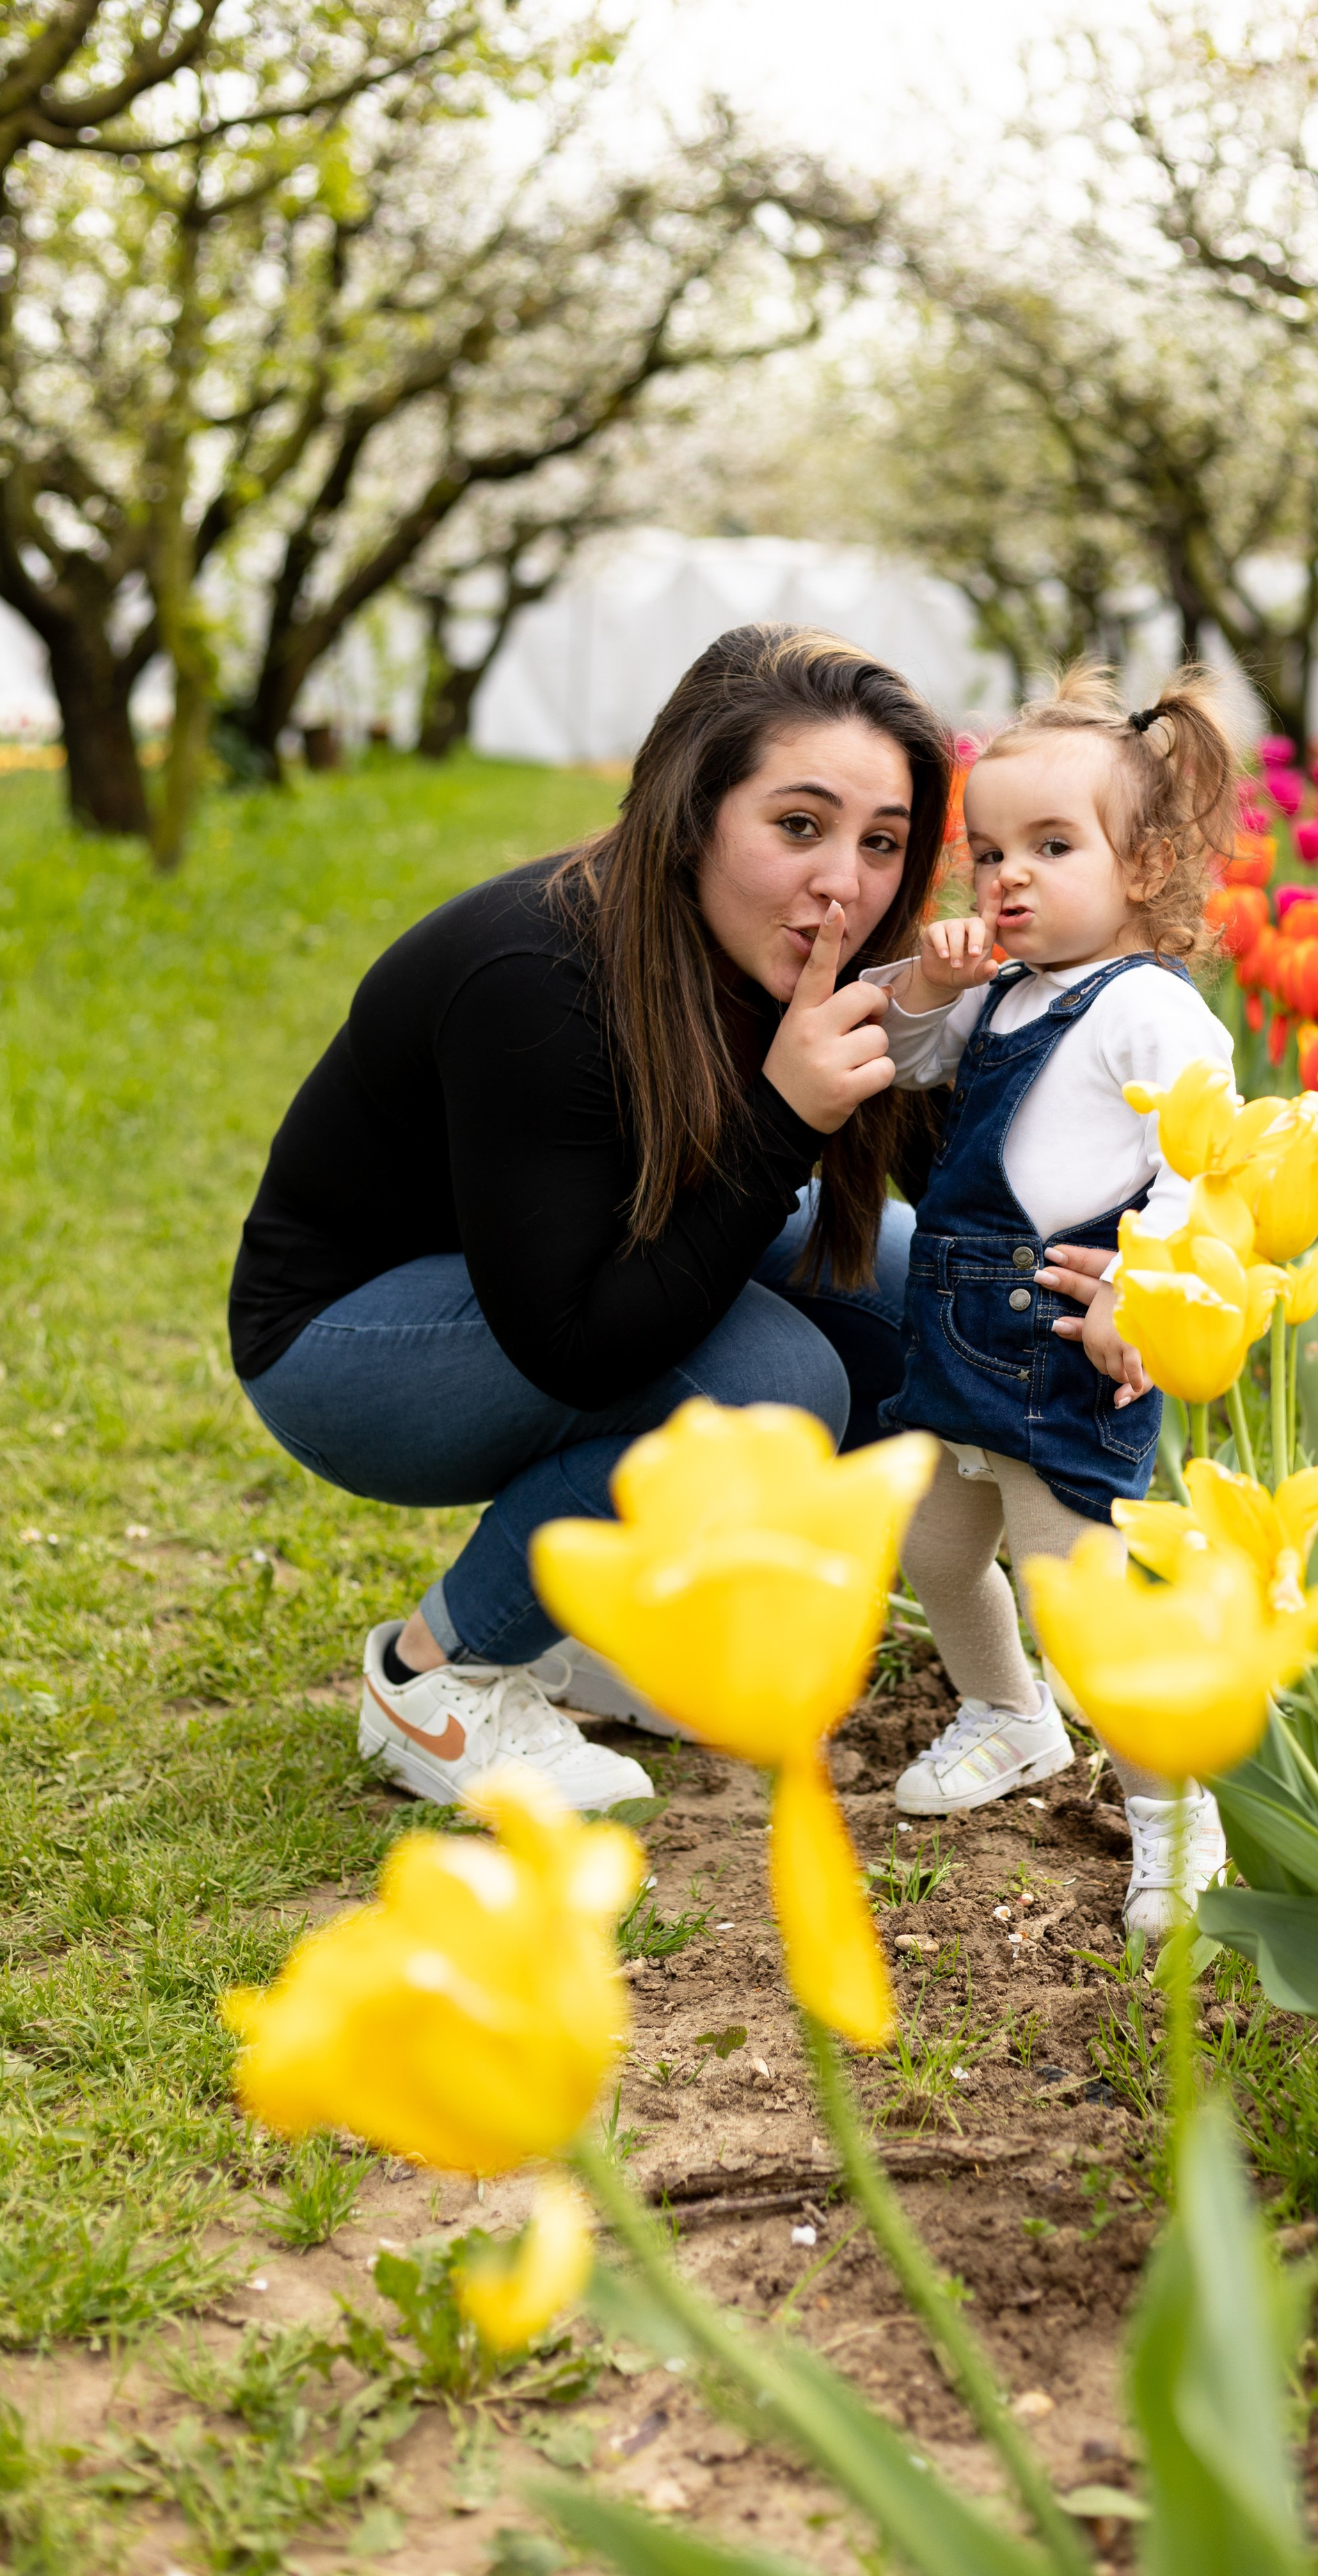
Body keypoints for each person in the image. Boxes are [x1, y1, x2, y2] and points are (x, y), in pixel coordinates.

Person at [228, 625, 951, 1813]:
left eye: (882, 843)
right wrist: (781, 1120)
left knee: (911, 1282)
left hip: (562, 1272)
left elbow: (935, 1177)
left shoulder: (793, 954)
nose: (846, 884)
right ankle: (435, 1676)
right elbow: (575, 1344)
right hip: (352, 1346)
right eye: (799, 826)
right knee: (773, 1386)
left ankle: (614, 1633)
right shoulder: (538, 972)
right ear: (693, 812)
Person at [871, 664, 1241, 1935]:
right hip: (957, 1332)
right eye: (987, 853)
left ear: (1143, 867)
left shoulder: (1146, 1009)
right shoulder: (1009, 993)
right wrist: (930, 984)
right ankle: (1007, 1719)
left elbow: (1204, 1154)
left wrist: (1147, 1282)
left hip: (1066, 1340)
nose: (1007, 877)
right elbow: (905, 1063)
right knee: (934, 1547)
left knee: (1077, 1600)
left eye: (1050, 845)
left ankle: (1173, 1812)